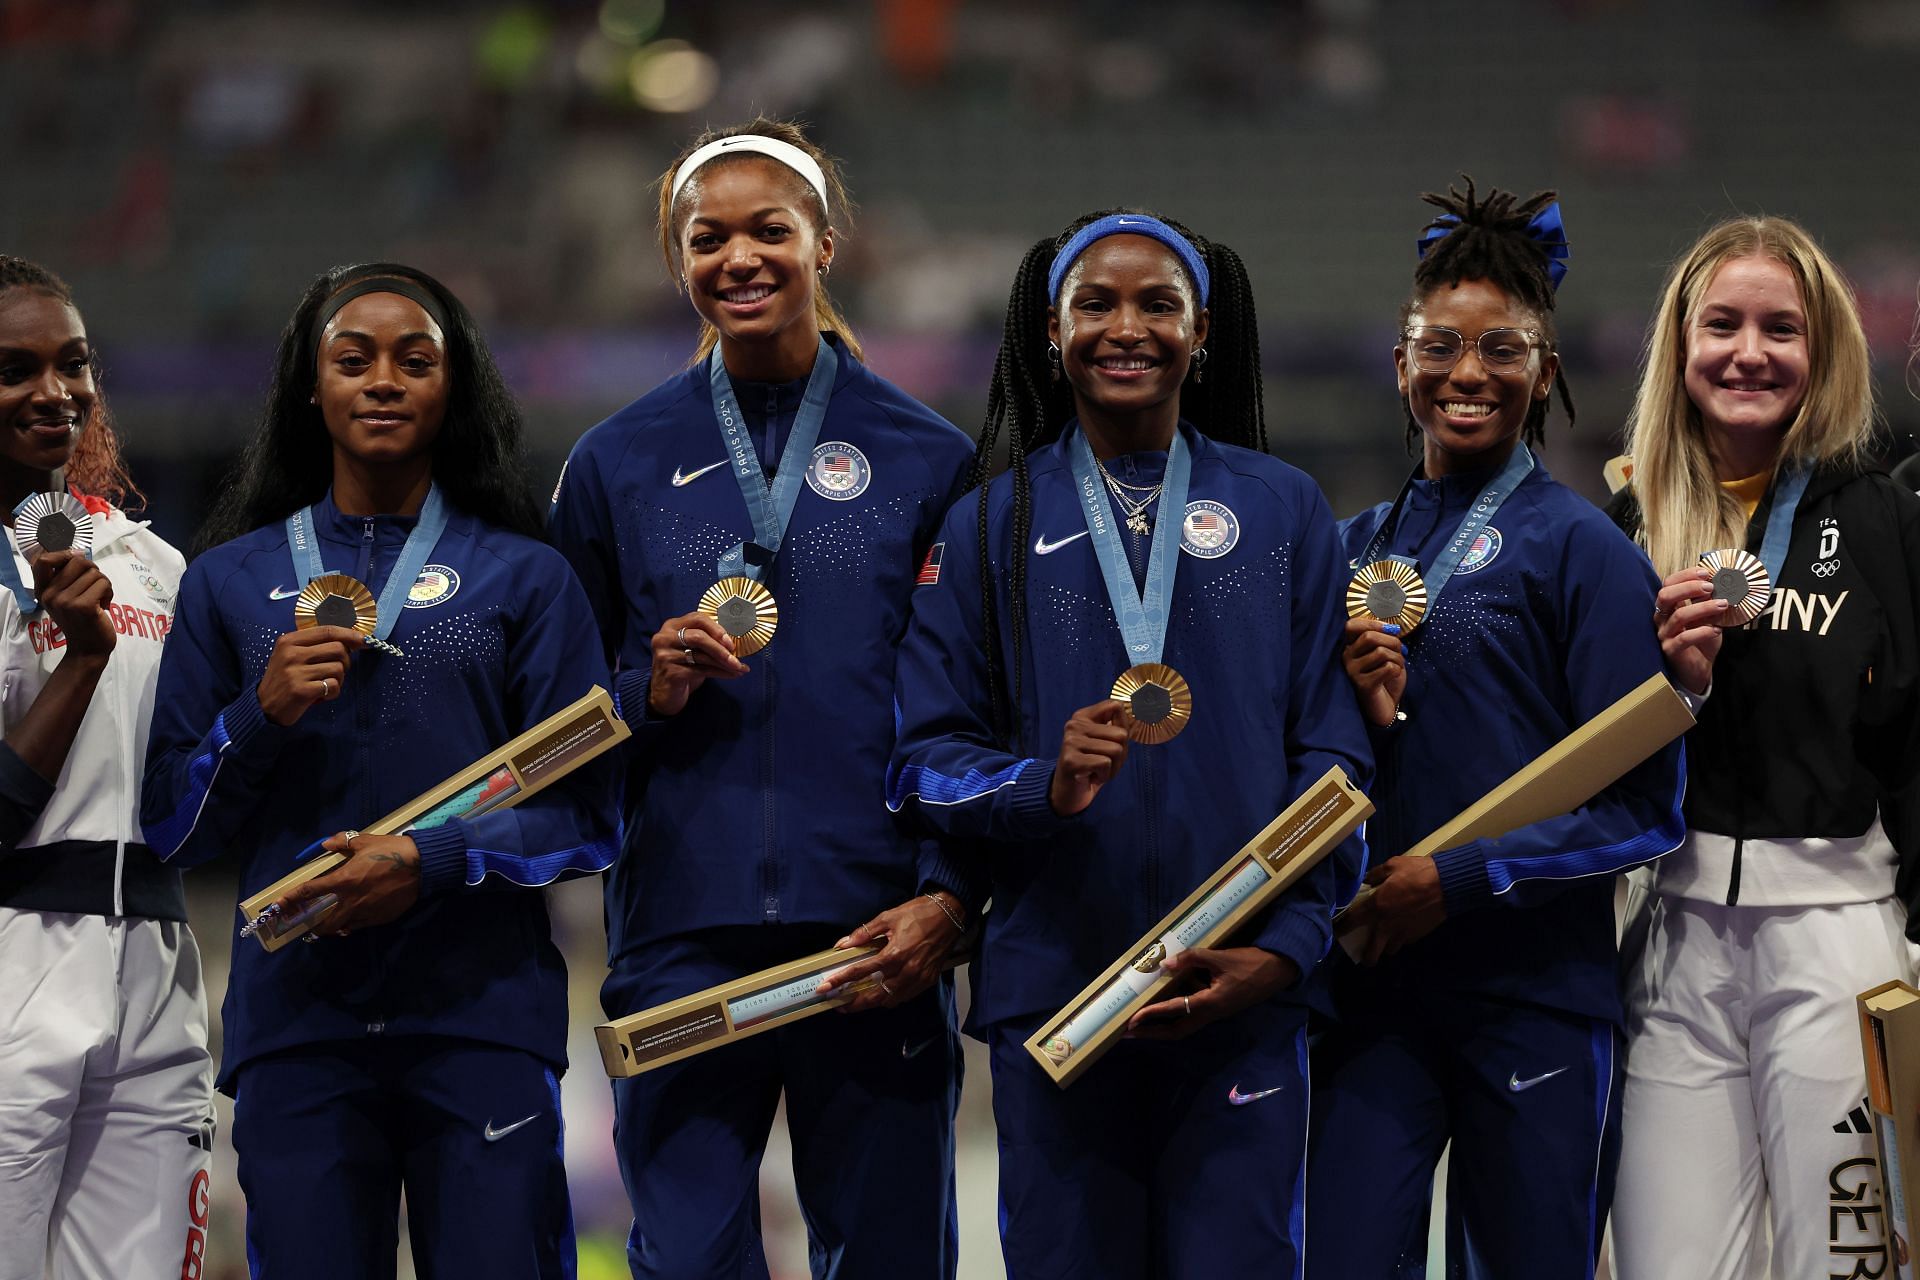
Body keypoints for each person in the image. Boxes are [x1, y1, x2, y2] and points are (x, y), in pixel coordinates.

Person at [887, 208, 1371, 1279]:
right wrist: (1038, 784)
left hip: (1240, 998)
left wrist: (1284, 949)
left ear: (1203, 335)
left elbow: (1334, 760)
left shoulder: (1283, 508)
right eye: (1094, 303)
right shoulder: (988, 526)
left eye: (1159, 303)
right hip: (1056, 999)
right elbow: (922, 757)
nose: (1127, 326)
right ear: (1049, 335)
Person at [547, 119, 977, 1279]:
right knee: (685, 1261)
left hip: (874, 930)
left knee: (888, 1259)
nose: (739, 256)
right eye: (708, 236)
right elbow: (554, 717)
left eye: (769, 229)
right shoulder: (614, 463)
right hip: (683, 936)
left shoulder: (931, 458)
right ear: (678, 260)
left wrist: (948, 894)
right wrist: (649, 686)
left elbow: (974, 704)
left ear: (826, 244)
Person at [141, 262, 618, 1279]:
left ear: (458, 387)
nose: (384, 381)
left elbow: (589, 814)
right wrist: (255, 716)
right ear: (310, 390)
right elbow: (172, 828)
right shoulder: (231, 580)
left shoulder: (526, 575)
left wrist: (431, 858)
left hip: (480, 1020)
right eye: (352, 360)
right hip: (297, 1031)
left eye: (416, 360)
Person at [1306, 181, 1686, 1279]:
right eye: (1442, 344)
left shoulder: (1588, 555)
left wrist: (1463, 877)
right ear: (1399, 361)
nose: (1469, 372)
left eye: (1503, 348)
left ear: (1547, 371)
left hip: (1535, 1001)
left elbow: (1644, 806)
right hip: (1371, 999)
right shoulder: (1350, 549)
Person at [1608, 216, 1920, 1280]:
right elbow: (1592, 749)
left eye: (1781, 328)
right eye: (1723, 324)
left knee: (1850, 1260)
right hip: (1676, 938)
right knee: (1666, 1262)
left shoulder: (1883, 520)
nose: (1750, 352)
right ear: (1679, 344)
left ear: (1822, 347)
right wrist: (1673, 692)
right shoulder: (1626, 518)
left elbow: (1916, 740)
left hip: (1840, 938)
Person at [0, 257, 214, 1280]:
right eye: (14, 368)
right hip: (14, 957)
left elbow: (188, 785)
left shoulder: (153, 562)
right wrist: (81, 658)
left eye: (73, 364)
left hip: (161, 962)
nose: (55, 392)